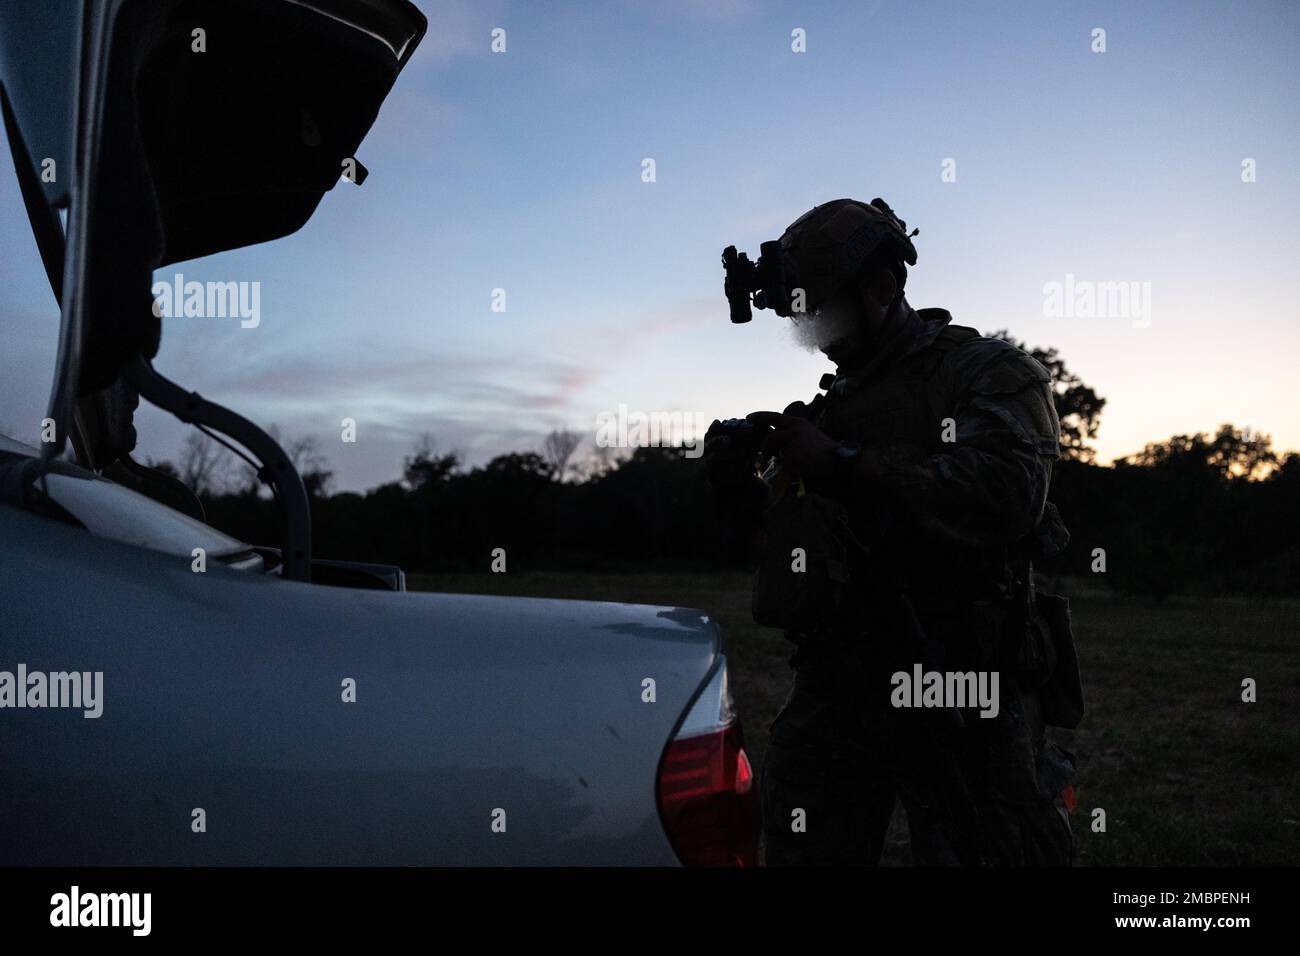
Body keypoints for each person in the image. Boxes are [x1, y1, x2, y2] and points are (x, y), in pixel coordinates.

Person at [706, 198, 1080, 866]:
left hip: (958, 675)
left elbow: (1006, 495)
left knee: (991, 848)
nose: (811, 331)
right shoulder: (835, 405)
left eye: (821, 310)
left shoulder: (986, 372)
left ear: (882, 288)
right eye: (801, 314)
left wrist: (841, 465)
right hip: (839, 679)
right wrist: (744, 485)